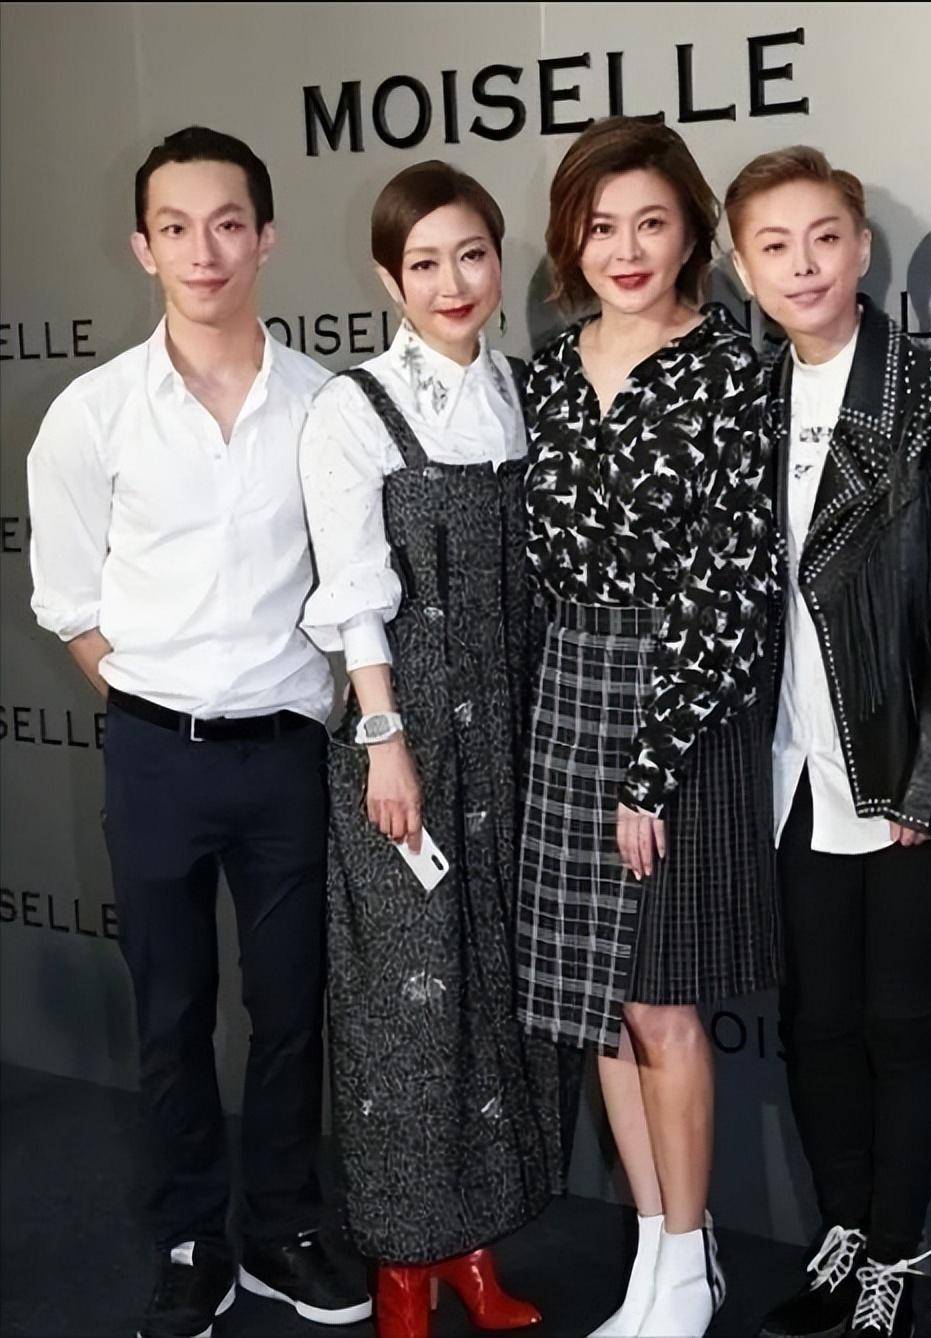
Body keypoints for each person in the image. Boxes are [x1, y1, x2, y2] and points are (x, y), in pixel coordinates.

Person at [26, 127, 370, 1338]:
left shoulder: (328, 407)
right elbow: (67, 599)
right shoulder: (92, 413)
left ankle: (281, 1225)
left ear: (266, 237)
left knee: (291, 1009)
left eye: (227, 223)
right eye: (175, 228)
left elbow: (356, 581)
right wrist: (151, 701)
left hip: (287, 755)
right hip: (154, 756)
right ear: (142, 247)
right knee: (171, 1012)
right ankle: (191, 1235)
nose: (204, 251)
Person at [515, 116, 779, 1338]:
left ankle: (686, 1260)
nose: (624, 250)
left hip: (679, 702)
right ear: (571, 238)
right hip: (567, 692)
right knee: (600, 1009)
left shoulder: (731, 370)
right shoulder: (544, 373)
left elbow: (731, 583)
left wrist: (651, 767)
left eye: (651, 224)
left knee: (662, 1004)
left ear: (691, 236)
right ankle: (660, 1250)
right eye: (600, 226)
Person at [725, 147, 931, 1338]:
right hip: (786, 772)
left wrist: (924, 784)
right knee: (815, 1022)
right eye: (774, 246)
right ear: (742, 267)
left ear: (860, 249)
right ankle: (840, 1233)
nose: (802, 266)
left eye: (822, 238)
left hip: (898, 774)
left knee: (895, 1022)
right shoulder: (745, 403)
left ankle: (894, 1257)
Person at [298, 160, 563, 1338]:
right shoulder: (353, 408)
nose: (452, 281)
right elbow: (354, 592)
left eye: (471, 254)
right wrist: (383, 744)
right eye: (423, 262)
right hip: (407, 737)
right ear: (385, 278)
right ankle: (402, 1268)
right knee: (404, 1009)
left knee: (494, 996)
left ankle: (472, 1252)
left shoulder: (524, 392)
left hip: (519, 732)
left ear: (498, 260)